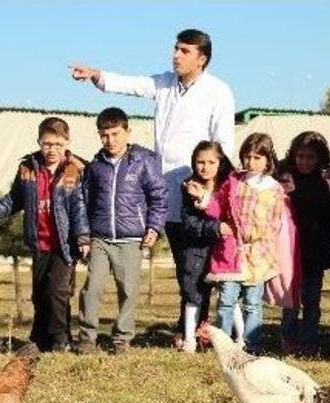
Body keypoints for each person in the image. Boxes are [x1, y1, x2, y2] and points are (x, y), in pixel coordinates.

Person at [70, 28, 235, 341]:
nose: (176, 55)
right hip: (161, 190)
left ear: (202, 59)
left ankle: (198, 331)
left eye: (184, 51)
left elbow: (222, 144)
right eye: (175, 48)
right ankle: (188, 326)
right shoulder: (164, 83)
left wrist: (211, 188)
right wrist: (96, 75)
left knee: (195, 266)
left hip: (197, 191)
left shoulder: (219, 92)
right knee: (181, 265)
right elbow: (132, 84)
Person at [0, 118, 89, 352]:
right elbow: (14, 199)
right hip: (39, 243)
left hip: (64, 243)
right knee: (40, 294)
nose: (52, 150)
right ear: (39, 142)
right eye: (47, 144)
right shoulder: (28, 168)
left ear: (67, 142)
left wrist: (82, 237)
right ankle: (40, 338)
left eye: (58, 144)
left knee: (57, 291)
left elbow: (79, 208)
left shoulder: (74, 170)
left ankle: (61, 339)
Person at [77, 108, 168, 354]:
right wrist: (84, 236)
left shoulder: (144, 162)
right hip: (100, 238)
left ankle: (122, 340)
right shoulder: (95, 166)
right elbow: (84, 202)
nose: (111, 140)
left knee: (128, 290)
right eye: (104, 135)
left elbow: (158, 197)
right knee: (91, 289)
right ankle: (86, 338)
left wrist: (153, 226)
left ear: (128, 132)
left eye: (116, 133)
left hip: (131, 239)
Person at [203, 134, 286, 353]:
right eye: (247, 157)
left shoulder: (275, 188)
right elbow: (218, 204)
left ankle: (252, 344)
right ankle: (223, 343)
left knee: (252, 303)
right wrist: (204, 201)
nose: (251, 162)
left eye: (257, 157)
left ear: (268, 159)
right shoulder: (234, 181)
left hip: (258, 254)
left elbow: (276, 221)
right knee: (226, 300)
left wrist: (261, 240)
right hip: (232, 253)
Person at [279, 132, 330, 356]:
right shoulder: (284, 181)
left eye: (311, 157)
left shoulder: (325, 183)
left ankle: (309, 341)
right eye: (301, 156)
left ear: (320, 159)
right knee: (291, 300)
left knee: (312, 300)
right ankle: (288, 338)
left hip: (316, 250)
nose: (305, 161)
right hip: (290, 250)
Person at [177, 141, 235, 353]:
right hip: (196, 250)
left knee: (229, 295)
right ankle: (190, 337)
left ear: (220, 162)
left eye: (211, 162)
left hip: (226, 250)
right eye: (200, 162)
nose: (205, 167)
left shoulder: (230, 184)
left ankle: (231, 338)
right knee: (193, 294)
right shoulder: (188, 187)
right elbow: (189, 222)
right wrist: (216, 228)